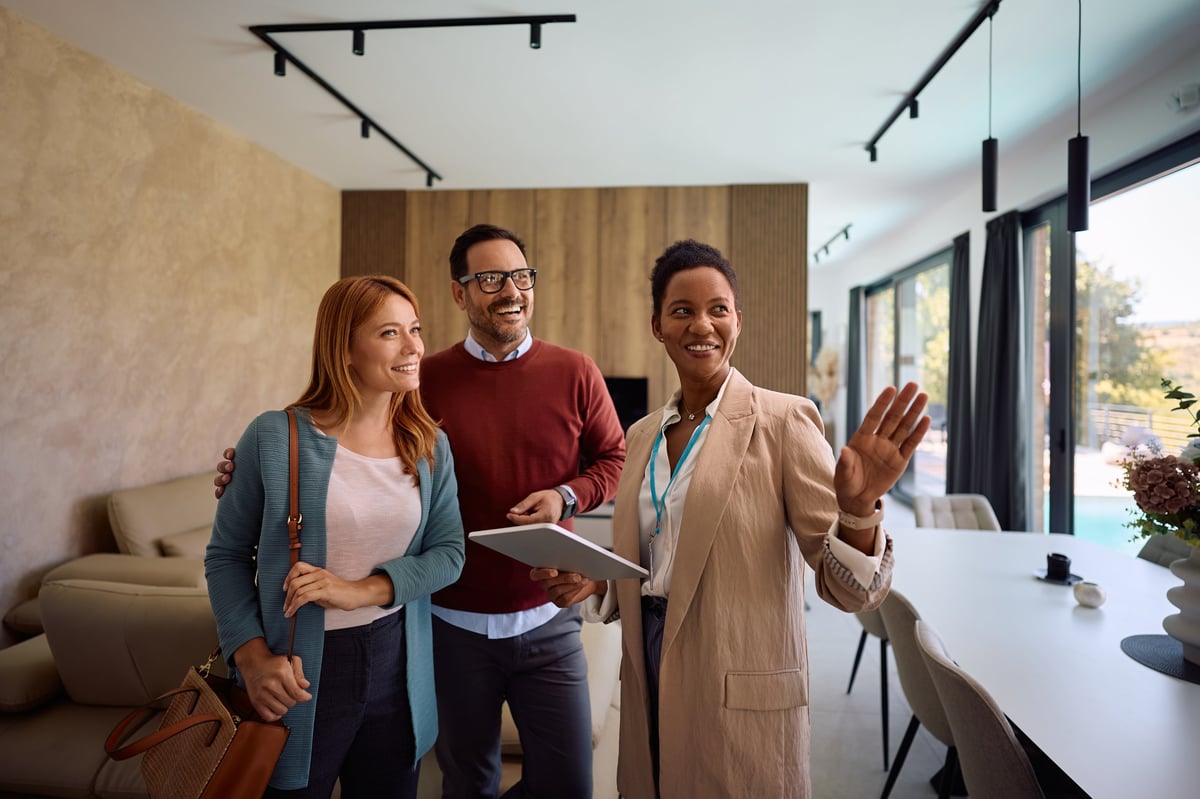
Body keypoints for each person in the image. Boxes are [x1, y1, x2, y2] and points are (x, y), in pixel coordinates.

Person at [216, 224, 627, 799]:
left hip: (538, 614)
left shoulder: (562, 376)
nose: (510, 290)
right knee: (466, 781)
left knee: (566, 784)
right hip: (444, 623)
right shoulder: (419, 380)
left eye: (520, 276)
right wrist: (257, 468)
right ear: (461, 293)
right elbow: (332, 439)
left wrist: (566, 496)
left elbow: (613, 459)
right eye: (489, 278)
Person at [532, 239, 930, 799]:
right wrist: (596, 583)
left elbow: (852, 593)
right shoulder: (642, 435)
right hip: (648, 662)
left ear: (738, 321)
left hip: (737, 677)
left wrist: (859, 510)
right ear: (658, 326)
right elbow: (653, 560)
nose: (702, 324)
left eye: (718, 309)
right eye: (682, 311)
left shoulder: (785, 422)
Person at [206, 275, 465, 798]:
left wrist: (356, 590)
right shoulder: (275, 437)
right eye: (390, 333)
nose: (414, 347)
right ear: (343, 349)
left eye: (415, 329)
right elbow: (226, 555)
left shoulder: (428, 444)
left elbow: (449, 554)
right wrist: (252, 659)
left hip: (398, 664)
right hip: (298, 671)